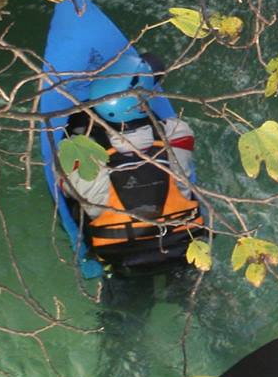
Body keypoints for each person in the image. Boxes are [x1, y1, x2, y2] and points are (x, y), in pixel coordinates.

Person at [55, 51, 205, 273]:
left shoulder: (76, 153)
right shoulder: (177, 133)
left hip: (119, 255)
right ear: (142, 106)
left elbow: (62, 188)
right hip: (180, 244)